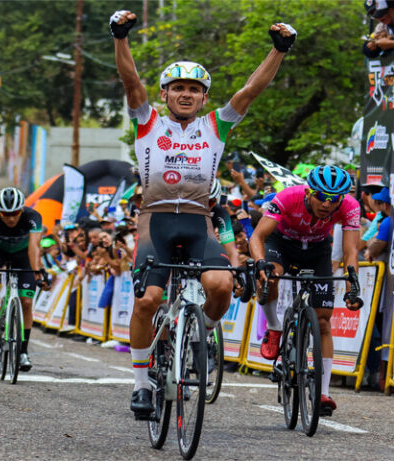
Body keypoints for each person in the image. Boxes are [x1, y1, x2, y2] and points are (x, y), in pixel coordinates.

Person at [110, 9, 297, 418]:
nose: (186, 94)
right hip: (155, 221)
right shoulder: (147, 122)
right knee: (148, 301)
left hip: (199, 222)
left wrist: (278, 50)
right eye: (178, 88)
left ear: (204, 98)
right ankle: (141, 384)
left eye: (194, 89)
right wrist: (120, 37)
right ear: (165, 94)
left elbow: (251, 90)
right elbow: (130, 80)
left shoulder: (216, 126)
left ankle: (201, 334)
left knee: (221, 286)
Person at [249, 165, 363, 414]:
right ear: (309, 192)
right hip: (281, 242)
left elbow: (350, 250)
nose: (327, 204)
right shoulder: (289, 197)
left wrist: (352, 282)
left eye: (334, 199)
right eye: (321, 196)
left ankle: (323, 393)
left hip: (317, 249)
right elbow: (257, 237)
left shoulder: (350, 207)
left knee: (322, 322)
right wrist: (260, 264)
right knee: (270, 278)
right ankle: (274, 327)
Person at [0, 187, 48, 371]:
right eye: (5, 213)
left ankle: (23, 351)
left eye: (15, 213)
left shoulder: (33, 217)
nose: (10, 218)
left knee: (26, 302)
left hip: (22, 255)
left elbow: (34, 247)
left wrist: (37, 271)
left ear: (22, 210)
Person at [364, 187, 392, 262]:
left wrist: (374, 236)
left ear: (385, 205)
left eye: (379, 202)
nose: (378, 205)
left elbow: (374, 250)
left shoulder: (387, 222)